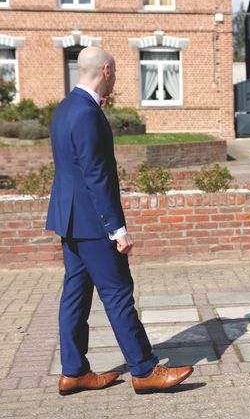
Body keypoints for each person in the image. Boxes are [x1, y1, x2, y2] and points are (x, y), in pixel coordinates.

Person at [46, 47, 193, 395]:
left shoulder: (65, 108)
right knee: (118, 294)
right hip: (93, 223)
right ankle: (144, 370)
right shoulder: (86, 113)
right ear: (107, 70)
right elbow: (95, 175)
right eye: (117, 74)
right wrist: (117, 228)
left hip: (70, 220)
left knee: (76, 296)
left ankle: (74, 371)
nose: (116, 80)